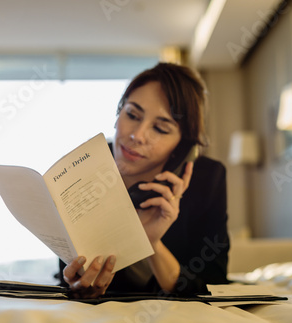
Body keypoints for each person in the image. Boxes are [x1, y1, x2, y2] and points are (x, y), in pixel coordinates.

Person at [58, 62, 230, 298]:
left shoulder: (207, 179)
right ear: (119, 114)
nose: (137, 136)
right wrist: (79, 285)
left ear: (182, 146)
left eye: (160, 128)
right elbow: (69, 276)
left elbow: (213, 285)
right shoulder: (86, 167)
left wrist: (151, 243)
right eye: (132, 114)